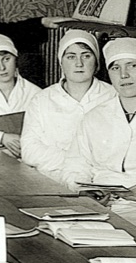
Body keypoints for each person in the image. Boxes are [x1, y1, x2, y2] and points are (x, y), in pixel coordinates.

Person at [58, 38, 136, 205]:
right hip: (99, 205)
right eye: (115, 68)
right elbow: (76, 164)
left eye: (132, 65)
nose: (124, 75)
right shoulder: (95, 116)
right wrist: (85, 190)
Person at [20, 29, 116, 177]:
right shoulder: (42, 99)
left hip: (101, 179)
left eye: (86, 56)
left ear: (96, 62)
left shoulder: (113, 96)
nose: (79, 63)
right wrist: (76, 164)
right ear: (61, 63)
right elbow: (29, 150)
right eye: (71, 57)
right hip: (52, 180)